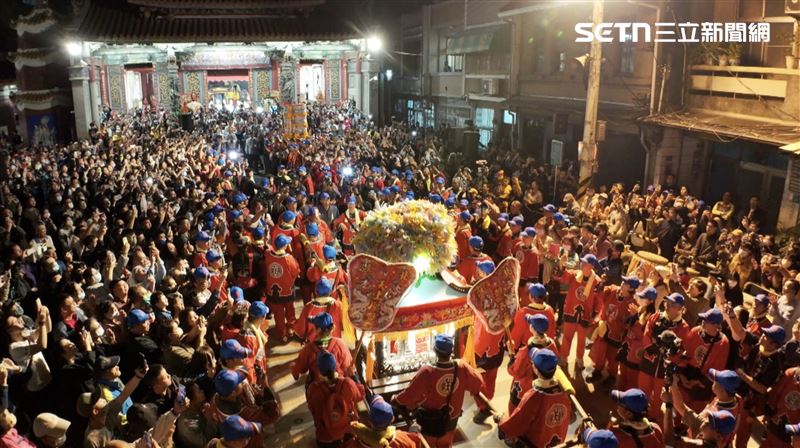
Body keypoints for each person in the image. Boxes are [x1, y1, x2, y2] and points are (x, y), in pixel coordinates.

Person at [394, 334, 485, 448]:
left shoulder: (427, 371)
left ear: (435, 351)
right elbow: (478, 382)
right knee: (446, 443)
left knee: (429, 444)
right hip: (452, 417)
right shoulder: (461, 367)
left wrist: (396, 399)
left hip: (430, 419)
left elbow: (410, 393)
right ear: (451, 351)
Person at [496, 348, 572, 447]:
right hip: (556, 440)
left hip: (536, 442)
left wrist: (501, 423)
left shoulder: (534, 396)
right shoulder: (564, 391)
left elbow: (518, 421)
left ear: (536, 370)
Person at [586, 275, 640, 384]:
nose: (622, 283)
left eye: (626, 283)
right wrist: (601, 283)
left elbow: (631, 325)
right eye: (623, 281)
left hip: (617, 333)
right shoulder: (613, 290)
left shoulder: (632, 304)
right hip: (604, 328)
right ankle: (598, 370)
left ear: (631, 288)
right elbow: (600, 292)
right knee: (599, 350)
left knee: (612, 357)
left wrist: (634, 316)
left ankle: (612, 376)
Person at [555, 253, 602, 373]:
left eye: (585, 263)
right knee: (567, 337)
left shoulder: (597, 282)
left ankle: (579, 358)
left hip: (585, 314)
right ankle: (563, 357)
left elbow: (599, 300)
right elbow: (562, 277)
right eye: (582, 262)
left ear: (592, 266)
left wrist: (594, 315)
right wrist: (561, 265)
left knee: (581, 340)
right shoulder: (575, 275)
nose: (582, 264)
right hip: (571, 311)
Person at [307, 352, 365, 447]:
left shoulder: (314, 389)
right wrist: (354, 376)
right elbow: (361, 395)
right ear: (335, 367)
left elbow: (312, 409)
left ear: (319, 369)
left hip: (325, 436)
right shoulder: (347, 383)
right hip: (348, 432)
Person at [507, 314, 557, 414]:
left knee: (518, 412)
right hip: (545, 387)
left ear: (532, 329)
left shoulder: (526, 351)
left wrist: (512, 355)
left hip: (526, 388)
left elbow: (516, 371)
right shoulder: (552, 344)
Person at [292, 313, 353, 384]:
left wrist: (293, 367)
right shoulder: (340, 344)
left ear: (318, 330)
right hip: (338, 385)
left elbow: (301, 369)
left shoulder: (309, 348)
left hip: (319, 386)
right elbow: (348, 367)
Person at [346, 396, 428, 448]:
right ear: (392, 419)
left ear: (369, 421)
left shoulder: (353, 443)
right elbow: (413, 444)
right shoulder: (403, 439)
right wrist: (414, 433)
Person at [263, 234, 301, 344]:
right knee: (290, 311)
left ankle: (282, 334)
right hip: (287, 291)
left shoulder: (268, 255)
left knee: (278, 315)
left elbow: (267, 249)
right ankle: (291, 329)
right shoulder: (288, 258)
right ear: (285, 246)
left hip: (273, 292)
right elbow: (296, 272)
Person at [509, 283, 556, 349]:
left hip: (528, 349)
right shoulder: (550, 310)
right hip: (547, 347)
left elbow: (517, 334)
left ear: (531, 296)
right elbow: (552, 331)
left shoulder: (523, 312)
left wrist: (513, 347)